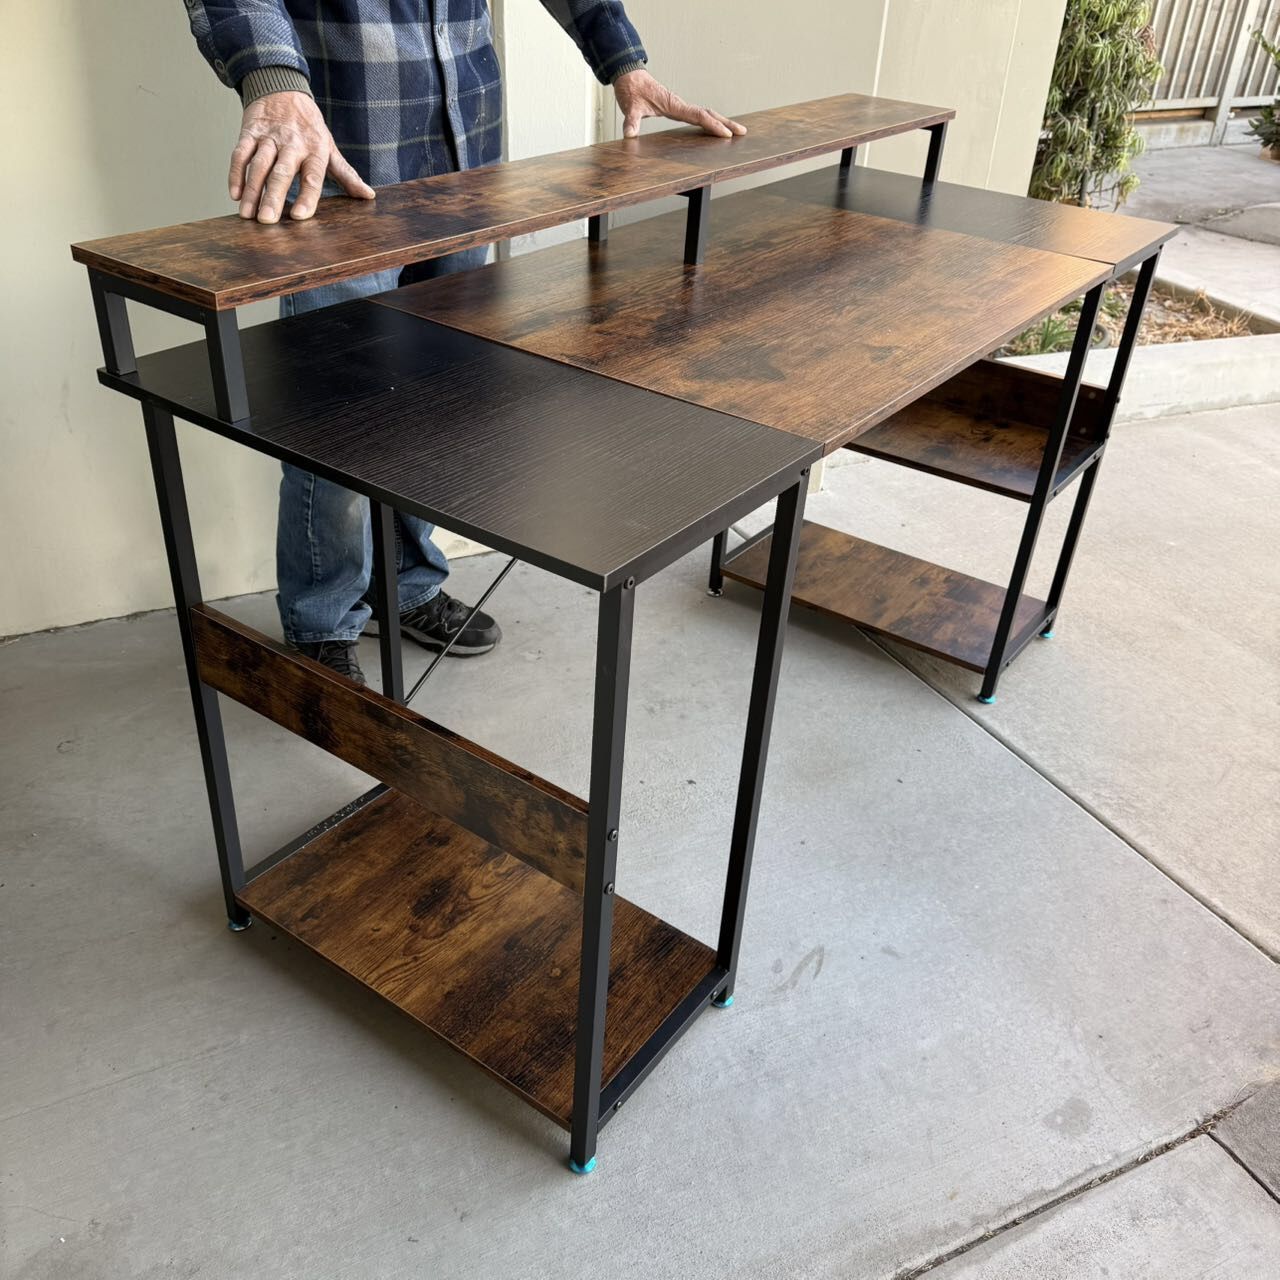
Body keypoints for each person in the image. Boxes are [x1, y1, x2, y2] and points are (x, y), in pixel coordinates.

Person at [186, 1, 744, 686]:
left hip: (467, 163)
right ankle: (322, 619)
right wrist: (271, 77)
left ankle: (408, 583)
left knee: (436, 404)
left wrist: (621, 59)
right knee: (333, 420)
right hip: (335, 175)